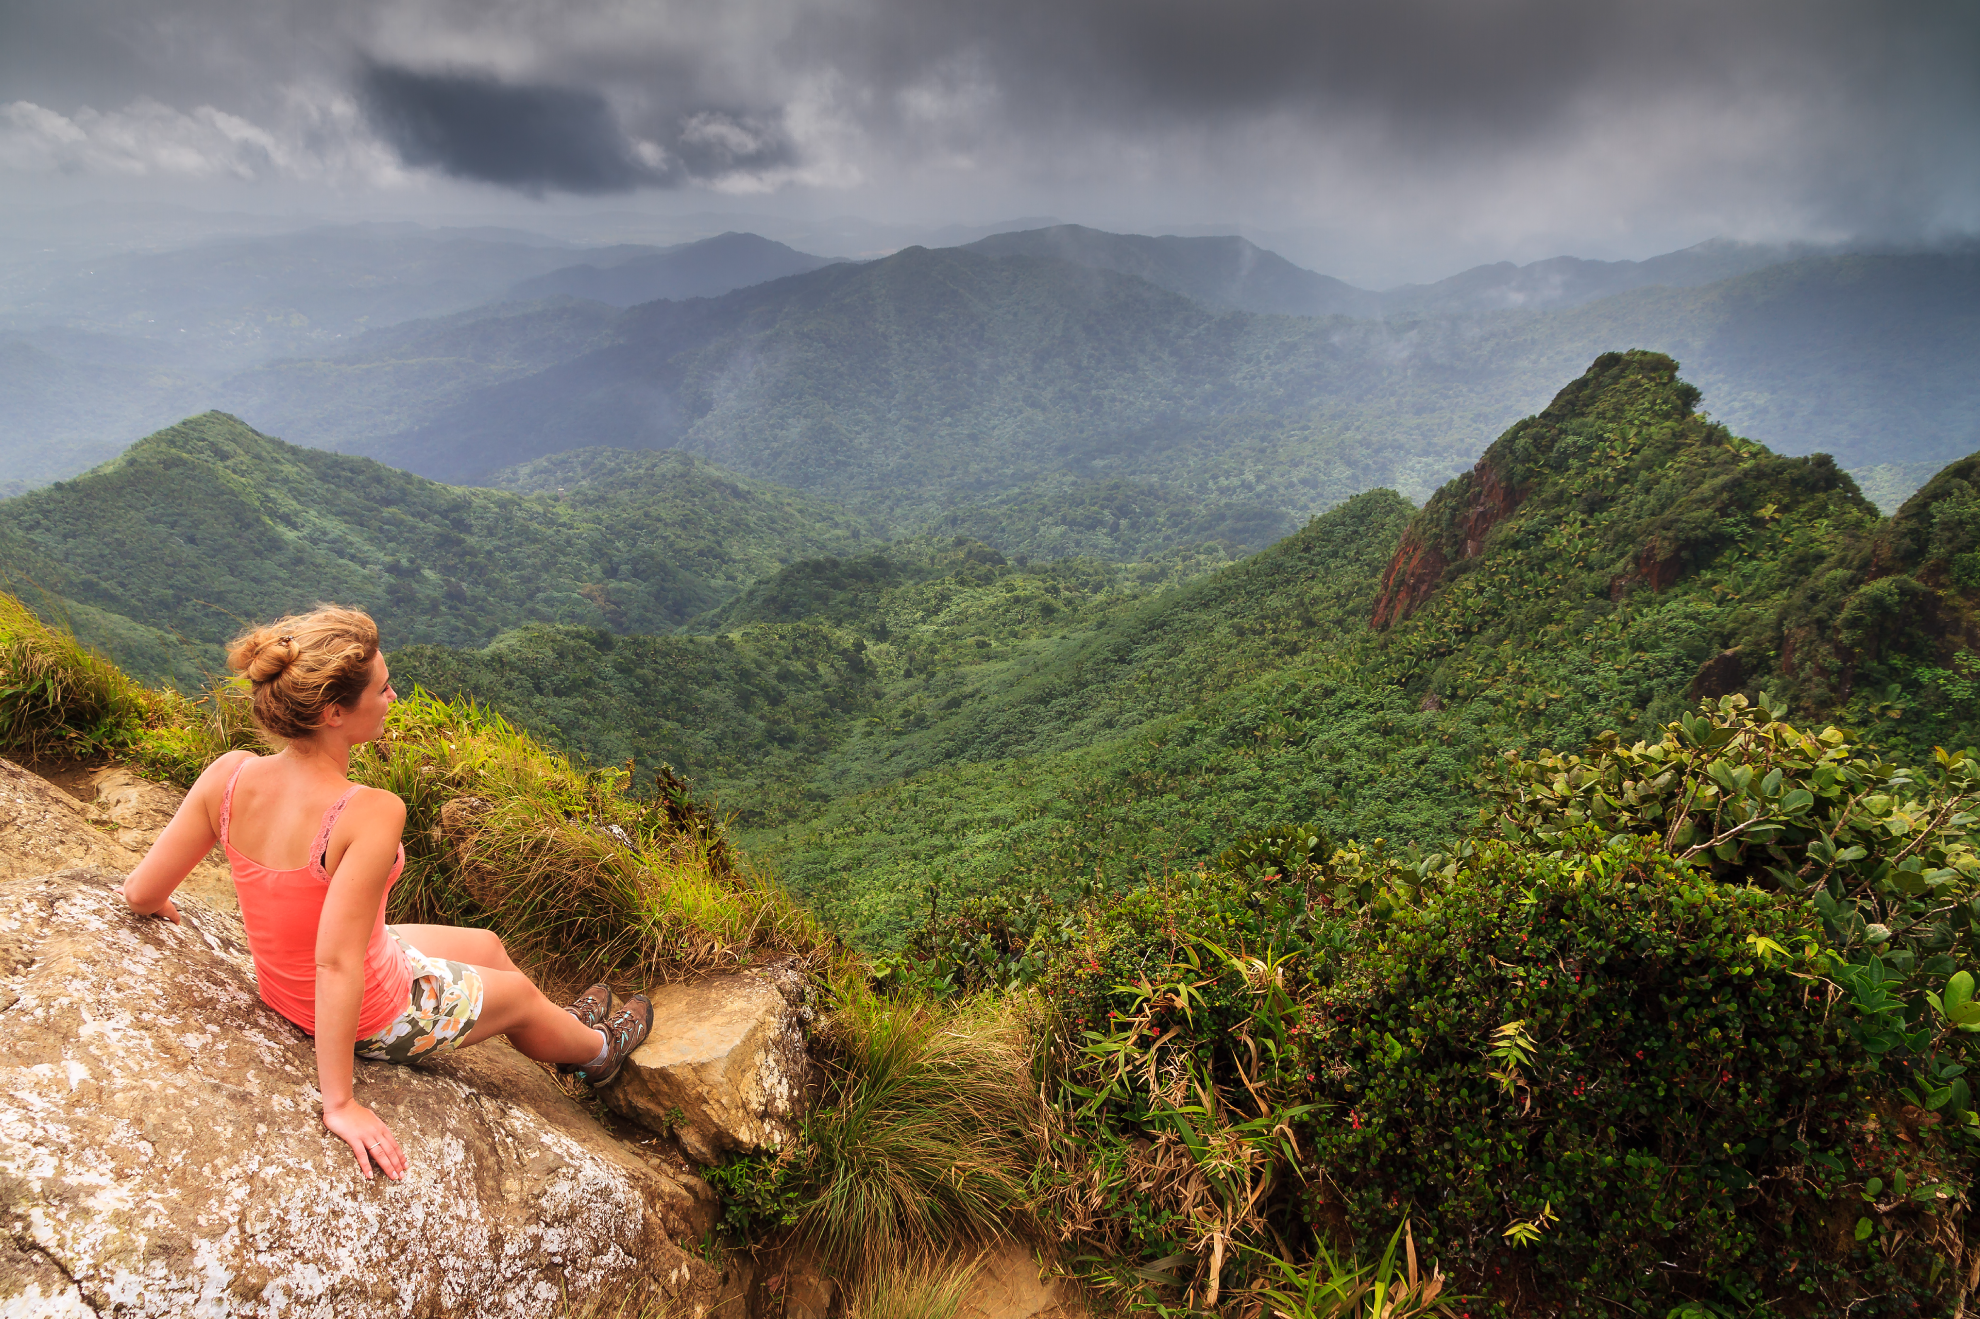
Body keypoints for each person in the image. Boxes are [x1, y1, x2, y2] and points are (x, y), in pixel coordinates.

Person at [121, 605, 653, 1182]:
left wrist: (154, 906)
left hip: (291, 986)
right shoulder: (368, 812)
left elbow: (141, 891)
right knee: (520, 994)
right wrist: (339, 1104)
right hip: (371, 1011)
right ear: (333, 712)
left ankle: (561, 1026)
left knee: (488, 945)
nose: (393, 697)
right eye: (383, 687)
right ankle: (596, 1052)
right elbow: (336, 961)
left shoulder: (227, 776)